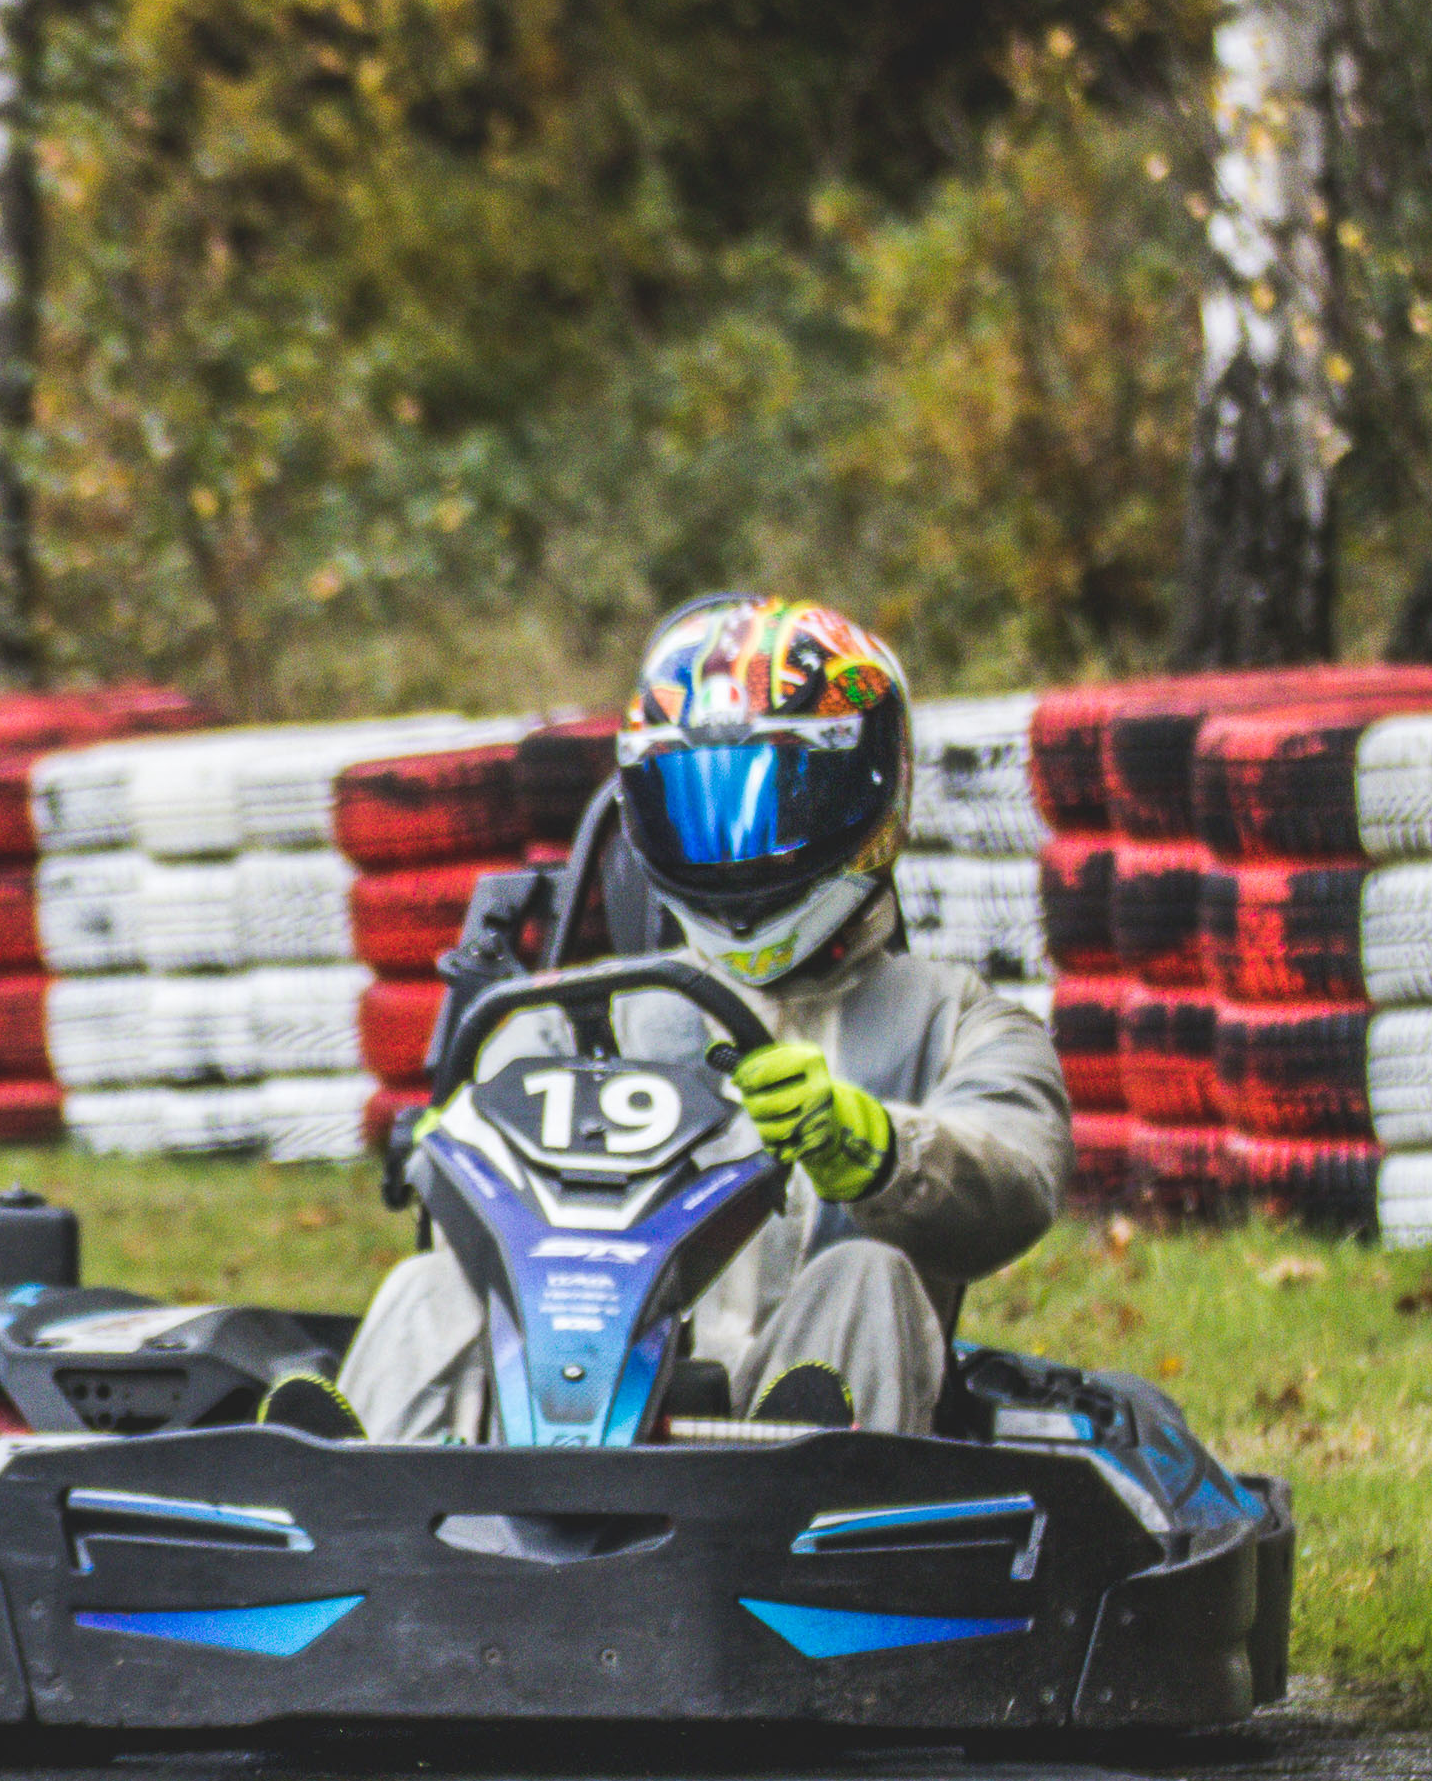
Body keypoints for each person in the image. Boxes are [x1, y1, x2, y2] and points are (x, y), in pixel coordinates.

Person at [289, 591, 1069, 1444]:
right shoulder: (576, 1017)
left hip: (777, 1433)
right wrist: (467, 1151)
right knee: (427, 1288)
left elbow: (1021, 1175)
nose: (732, 849)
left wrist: (881, 1148)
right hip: (566, 1406)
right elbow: (467, 1211)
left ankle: (815, 1486)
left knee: (865, 1274)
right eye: (698, 807)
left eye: (772, 806)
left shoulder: (955, 1018)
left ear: (865, 789)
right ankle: (348, 1493)